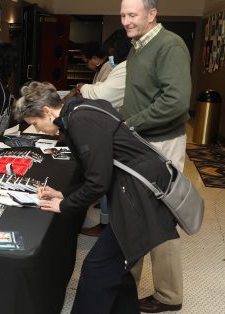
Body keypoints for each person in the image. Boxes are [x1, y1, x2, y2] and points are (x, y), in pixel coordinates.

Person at [13, 81, 179, 313]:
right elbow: (97, 171)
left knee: (96, 269)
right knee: (117, 265)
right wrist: (64, 193)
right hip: (135, 189)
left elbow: (98, 182)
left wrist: (65, 204)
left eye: (35, 124)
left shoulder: (80, 122)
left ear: (47, 112)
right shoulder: (80, 110)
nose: (38, 130)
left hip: (141, 194)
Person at [120, 0, 191, 312]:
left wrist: (130, 123)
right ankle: (126, 283)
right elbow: (139, 97)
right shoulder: (137, 46)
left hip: (162, 143)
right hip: (141, 142)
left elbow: (175, 102)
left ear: (152, 14)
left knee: (160, 217)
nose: (125, 20)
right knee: (136, 212)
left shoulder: (169, 45)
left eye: (132, 14)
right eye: (122, 14)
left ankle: (168, 295)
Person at [74, 29, 133, 237]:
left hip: (119, 128)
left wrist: (83, 88)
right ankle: (108, 224)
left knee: (111, 178)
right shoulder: (123, 66)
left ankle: (108, 226)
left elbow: (103, 95)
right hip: (117, 126)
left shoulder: (122, 68)